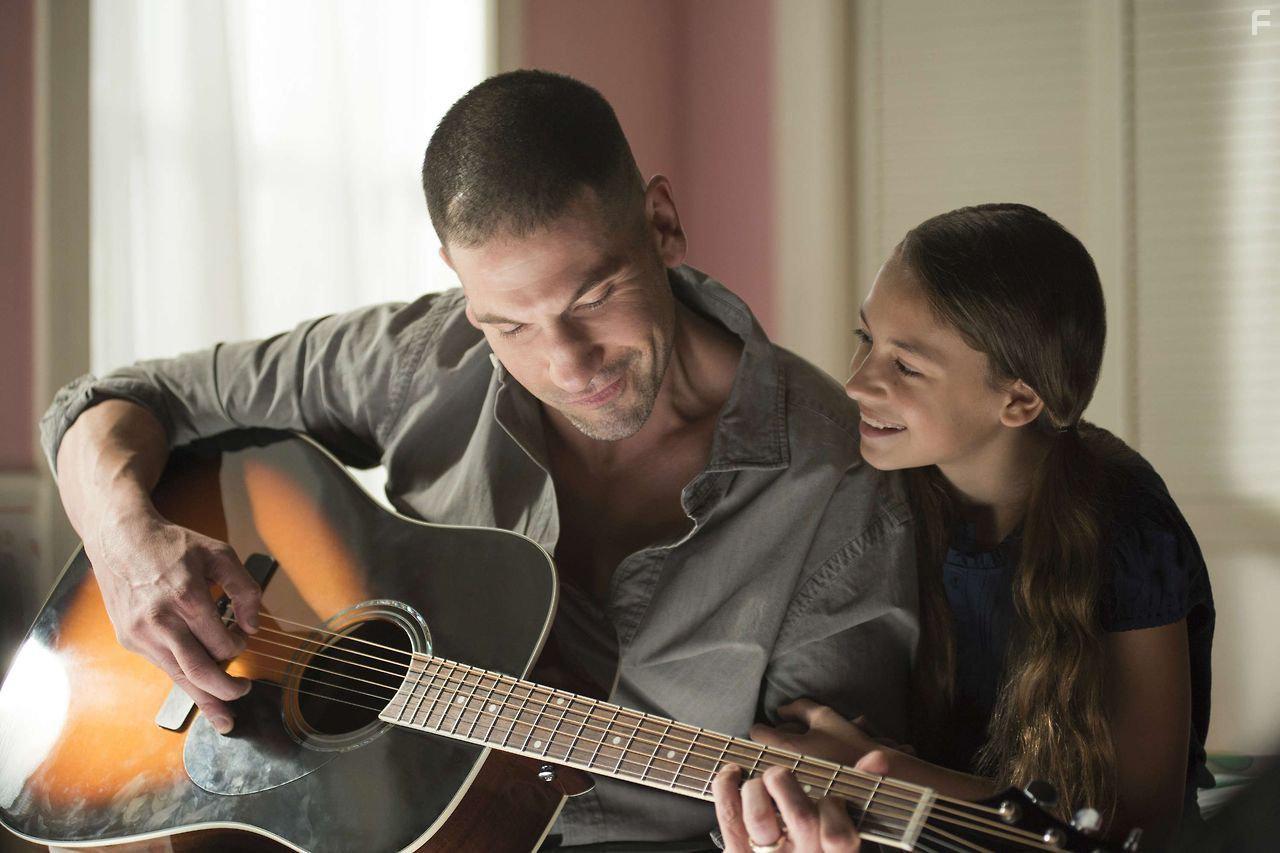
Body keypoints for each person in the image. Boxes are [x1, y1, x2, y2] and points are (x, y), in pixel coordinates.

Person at [40, 70, 918, 848]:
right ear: (464, 288)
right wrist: (126, 547)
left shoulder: (839, 485)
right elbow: (116, 401)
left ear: (662, 222)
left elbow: (821, 783)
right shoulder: (429, 351)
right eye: (510, 324)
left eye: (595, 294)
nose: (568, 364)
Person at [712, 203, 1214, 852]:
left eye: (907, 365)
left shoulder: (1129, 527)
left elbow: (1139, 823)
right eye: (866, 339)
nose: (857, 382)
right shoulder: (875, 496)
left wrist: (876, 770)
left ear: (1019, 400)